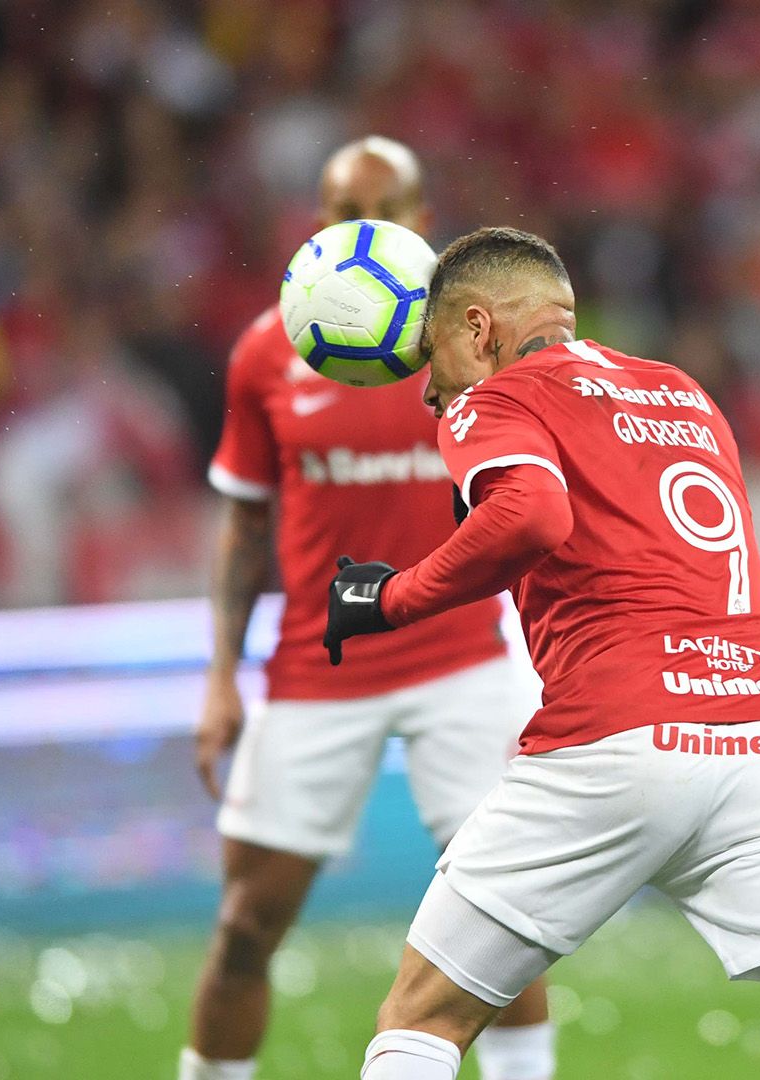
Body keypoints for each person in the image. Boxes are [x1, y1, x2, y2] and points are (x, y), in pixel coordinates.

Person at [324, 227, 760, 1080]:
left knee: (420, 1018)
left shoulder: (493, 402)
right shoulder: (681, 393)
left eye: (432, 358)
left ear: (477, 327)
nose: (430, 390)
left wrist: (389, 598)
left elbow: (532, 514)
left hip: (618, 737)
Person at [183, 143, 555, 1080]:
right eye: (341, 207)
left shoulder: (479, 342)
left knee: (506, 930)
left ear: (425, 217)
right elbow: (244, 526)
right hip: (318, 668)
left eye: (382, 206)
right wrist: (222, 680)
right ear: (317, 217)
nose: (359, 224)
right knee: (242, 929)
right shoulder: (270, 348)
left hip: (461, 659)